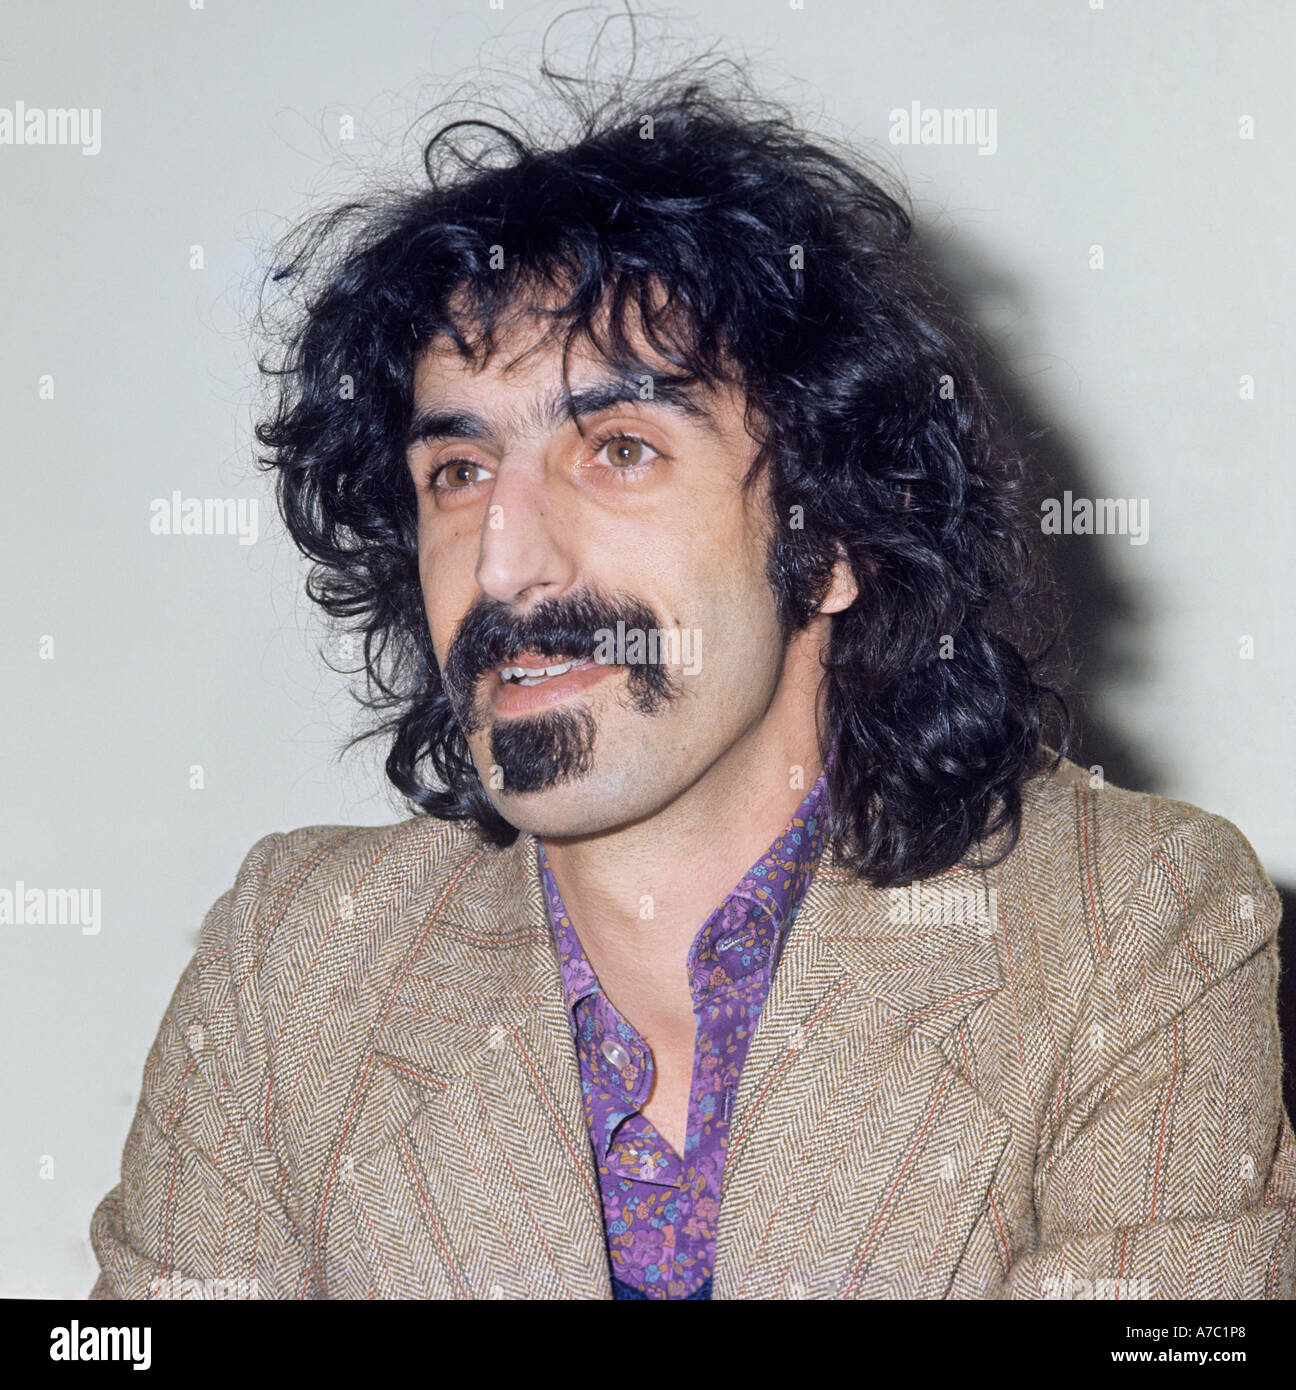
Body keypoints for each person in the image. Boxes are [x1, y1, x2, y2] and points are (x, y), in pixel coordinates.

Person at [89, 70, 1295, 1300]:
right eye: (457, 470)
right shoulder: (293, 964)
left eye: (618, 451)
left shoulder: (1124, 928)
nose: (502, 559)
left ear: (830, 541)